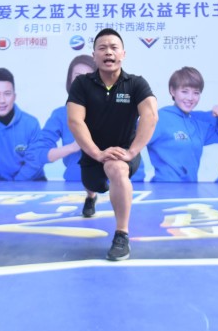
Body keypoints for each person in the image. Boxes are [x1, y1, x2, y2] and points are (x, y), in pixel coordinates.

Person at [67, 28, 158, 261]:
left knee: (117, 169)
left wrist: (132, 151)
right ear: (94, 56)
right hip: (93, 152)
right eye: (102, 48)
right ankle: (90, 197)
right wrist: (97, 153)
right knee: (92, 184)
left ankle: (121, 235)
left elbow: (150, 115)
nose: (108, 52)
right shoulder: (82, 84)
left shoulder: (136, 84)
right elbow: (75, 120)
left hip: (123, 151)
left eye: (114, 47)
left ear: (123, 54)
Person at [32, 55, 146, 181]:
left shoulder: (121, 110)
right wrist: (73, 147)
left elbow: (137, 166)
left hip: (118, 185)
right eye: (77, 77)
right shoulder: (61, 114)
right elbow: (39, 154)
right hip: (75, 186)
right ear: (70, 81)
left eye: (90, 76)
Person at [147, 66, 218, 182]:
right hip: (164, 188)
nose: (190, 98)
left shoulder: (196, 123)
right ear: (172, 91)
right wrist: (136, 180)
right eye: (184, 91)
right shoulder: (159, 118)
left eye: (196, 93)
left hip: (191, 189)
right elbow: (129, 144)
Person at [0, 67, 45, 181]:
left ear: (14, 96)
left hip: (33, 183)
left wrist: (15, 186)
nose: (2, 100)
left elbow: (34, 162)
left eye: (7, 94)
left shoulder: (31, 124)